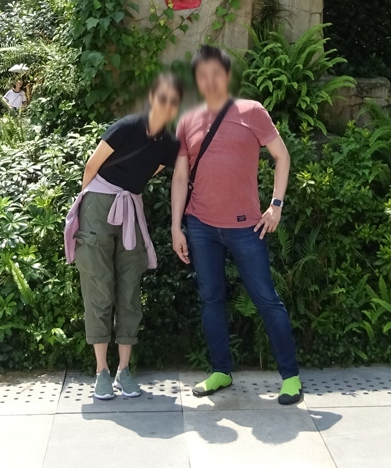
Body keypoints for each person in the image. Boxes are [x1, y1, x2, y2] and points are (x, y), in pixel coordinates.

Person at [171, 45, 302, 405]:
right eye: (202, 75)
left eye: (216, 73)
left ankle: (290, 377)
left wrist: (275, 205)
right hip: (200, 226)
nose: (209, 80)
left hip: (247, 228)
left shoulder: (252, 111)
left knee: (266, 299)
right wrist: (176, 226)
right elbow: (180, 177)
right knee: (211, 299)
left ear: (227, 76)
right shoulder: (187, 119)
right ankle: (220, 370)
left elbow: (282, 156)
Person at [64, 73, 183, 401]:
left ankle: (124, 370)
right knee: (98, 286)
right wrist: (87, 205)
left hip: (130, 208)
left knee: (130, 289)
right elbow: (92, 166)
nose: (167, 105)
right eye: (163, 98)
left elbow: (152, 172)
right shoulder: (127, 126)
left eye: (173, 102)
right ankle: (101, 370)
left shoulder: (169, 143)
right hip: (98, 207)